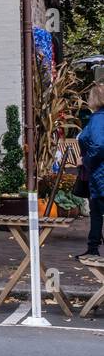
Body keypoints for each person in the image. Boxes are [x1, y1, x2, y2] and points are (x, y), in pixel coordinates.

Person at [76, 83, 104, 259]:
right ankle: (92, 247)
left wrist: (86, 160)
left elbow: (100, 144)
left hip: (100, 174)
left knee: (96, 211)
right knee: (96, 211)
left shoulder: (98, 119)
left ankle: (93, 248)